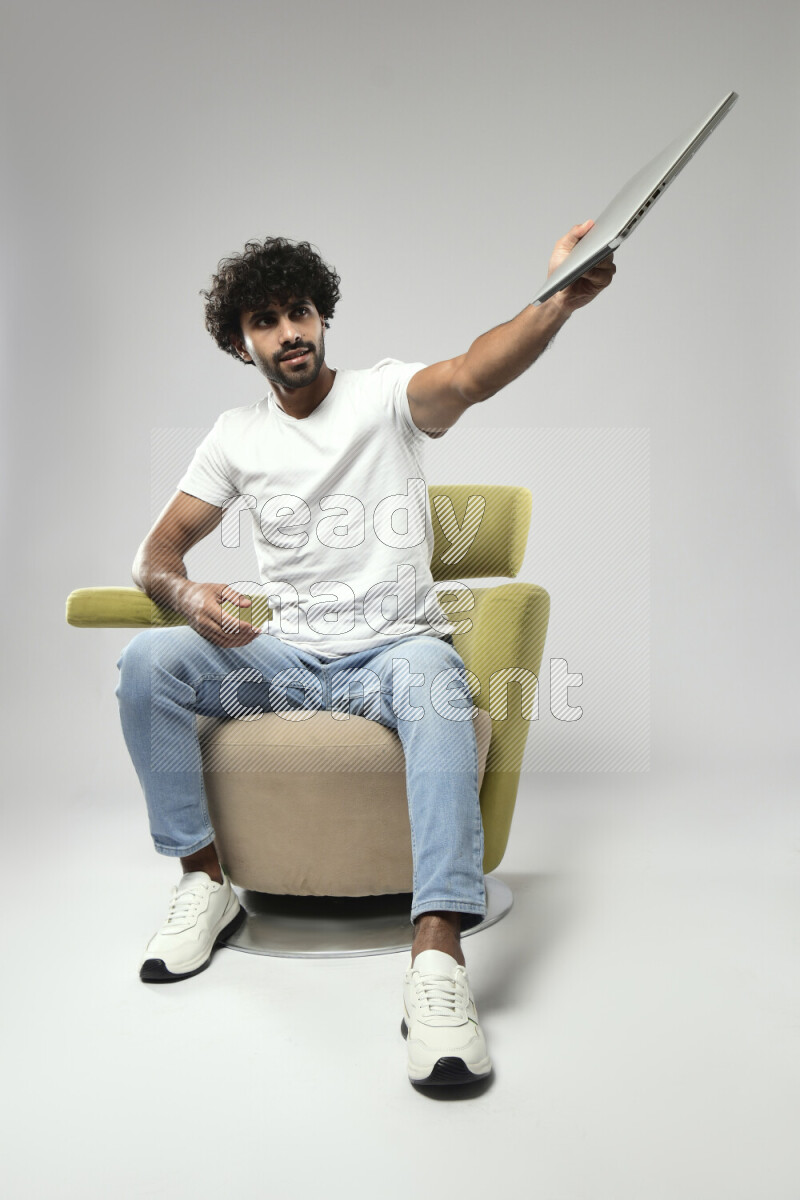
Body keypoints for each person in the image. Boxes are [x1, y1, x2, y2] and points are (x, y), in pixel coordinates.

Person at [115, 223, 615, 1087]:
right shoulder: (236, 435)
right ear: (245, 341)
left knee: (437, 684)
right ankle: (205, 882)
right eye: (266, 321)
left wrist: (557, 301)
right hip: (288, 659)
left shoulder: (384, 395)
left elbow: (470, 372)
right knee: (148, 665)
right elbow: (154, 558)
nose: (289, 332)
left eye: (300, 312)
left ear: (323, 317)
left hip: (396, 652)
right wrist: (192, 598)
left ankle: (437, 961)